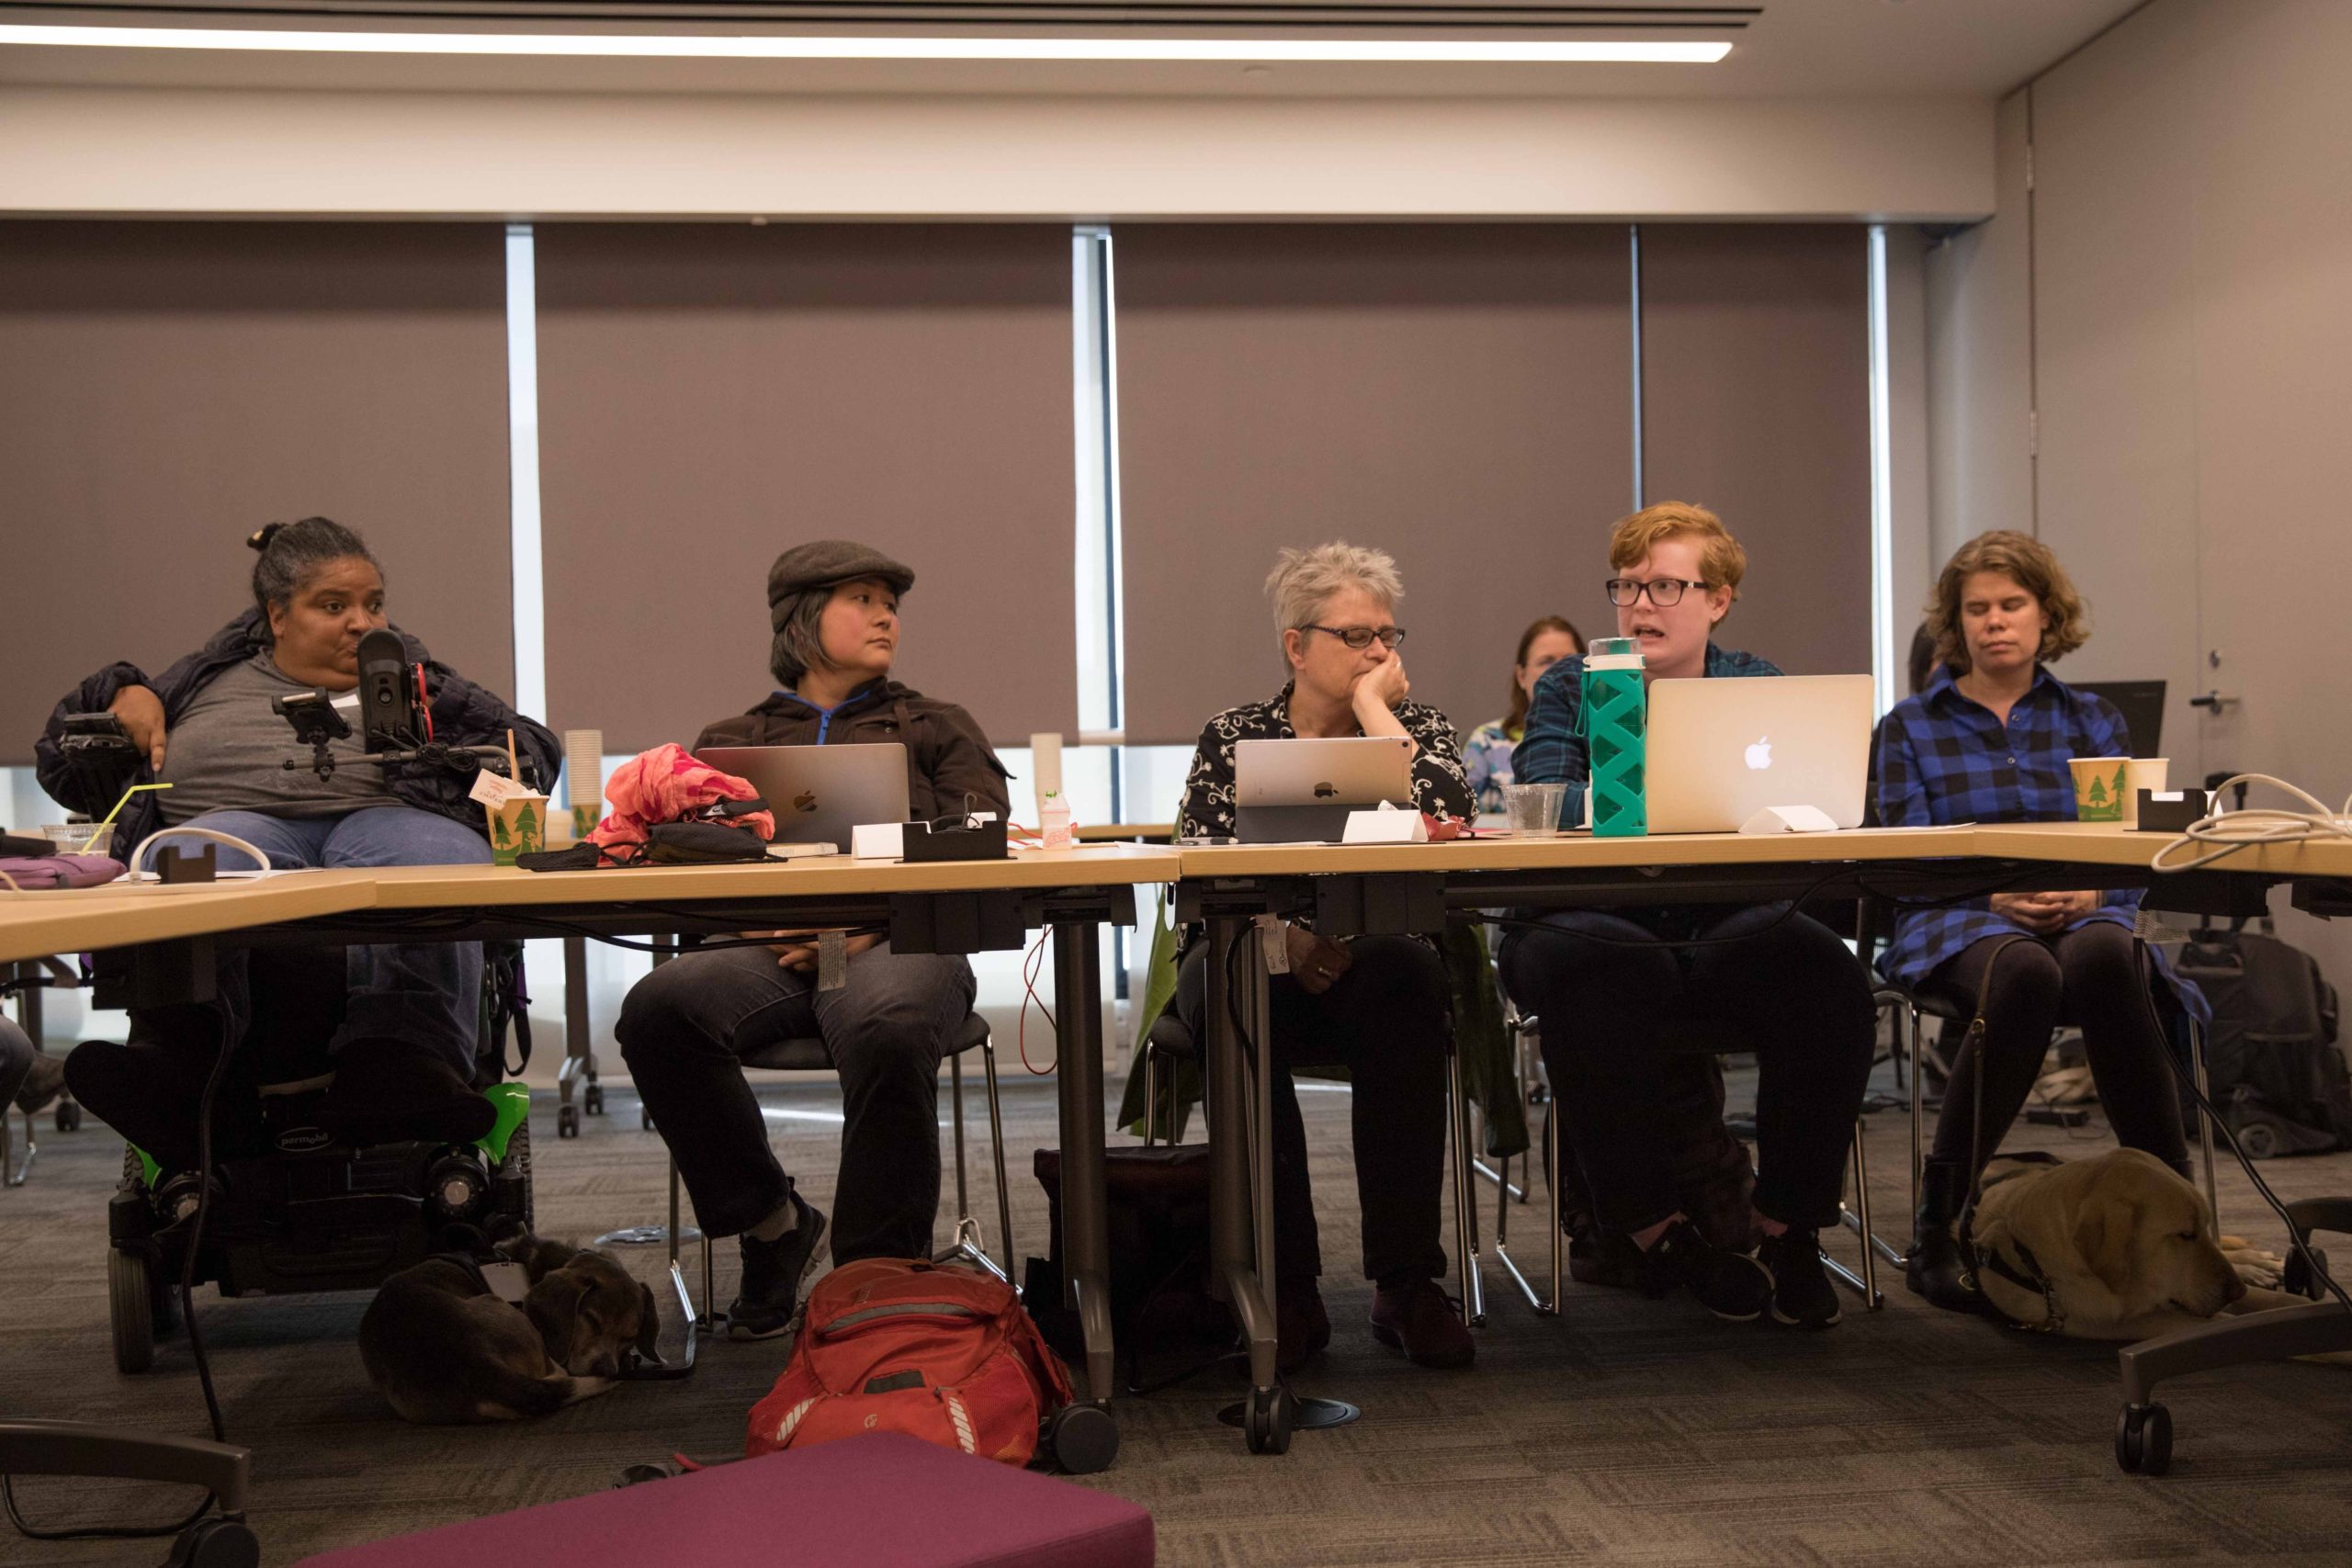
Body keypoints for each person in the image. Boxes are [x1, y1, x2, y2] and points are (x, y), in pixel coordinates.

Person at [36, 519, 559, 1158]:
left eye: (373, 604)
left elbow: (531, 755)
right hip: (232, 822)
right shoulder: (201, 681)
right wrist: (118, 690)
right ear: (277, 617)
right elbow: (61, 760)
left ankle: (403, 1063)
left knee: (441, 859)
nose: (362, 622)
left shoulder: (420, 684)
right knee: (177, 863)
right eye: (333, 606)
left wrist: (442, 737)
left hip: (387, 818)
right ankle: (185, 1071)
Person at [616, 541, 1011, 1339]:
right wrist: (758, 917)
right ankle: (772, 1225)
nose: (885, 614)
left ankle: (874, 1277)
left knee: (890, 1025)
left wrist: (874, 921)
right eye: (861, 598)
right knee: (657, 1007)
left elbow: (984, 842)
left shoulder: (937, 726)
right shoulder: (730, 738)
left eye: (889, 602)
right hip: (764, 947)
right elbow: (688, 860)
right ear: (801, 622)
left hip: (902, 942)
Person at [1499, 502, 1877, 1330]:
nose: (1642, 605)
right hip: (1584, 915)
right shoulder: (1573, 683)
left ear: (1719, 599)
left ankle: (1790, 1227)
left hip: (1719, 919)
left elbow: (1808, 809)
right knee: (1606, 962)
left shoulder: (1754, 686)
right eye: (1628, 586)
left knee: (1828, 972)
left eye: (1667, 586)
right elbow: (1550, 801)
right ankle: (1655, 1231)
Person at [1878, 530, 2203, 1314]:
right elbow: (1901, 866)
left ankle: (2173, 1212)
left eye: (2012, 605)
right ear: (1956, 624)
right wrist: (1994, 902)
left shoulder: (2091, 719)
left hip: (2081, 910)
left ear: (2045, 613)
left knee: (2104, 956)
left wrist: (2093, 896)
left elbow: (2128, 850)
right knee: (2024, 970)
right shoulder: (1910, 727)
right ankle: (1939, 1224)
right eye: (1977, 608)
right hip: (1958, 918)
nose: (1995, 621)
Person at [1171, 542, 1476, 1371]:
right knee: (1224, 979)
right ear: (1296, 646)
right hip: (1257, 953)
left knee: (1407, 978)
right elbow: (1198, 874)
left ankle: (1406, 1281)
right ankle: (1287, 1283)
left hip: (1376, 965)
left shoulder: (1421, 730)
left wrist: (1382, 719)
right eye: (1355, 637)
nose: (1379, 652)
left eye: (1387, 634)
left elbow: (1452, 825)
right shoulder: (1234, 736)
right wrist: (1286, 938)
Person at [1460, 616, 1585, 817]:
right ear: (1521, 676)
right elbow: (1464, 816)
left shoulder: (1598, 735)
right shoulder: (1487, 741)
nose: (1559, 672)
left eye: (1568, 661)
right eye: (1546, 661)